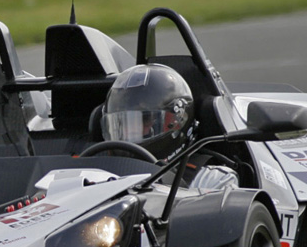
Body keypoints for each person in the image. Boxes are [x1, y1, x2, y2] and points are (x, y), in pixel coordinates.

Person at [99, 63, 238, 192]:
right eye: (120, 124)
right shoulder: (93, 172)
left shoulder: (211, 180)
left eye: (143, 121)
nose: (129, 131)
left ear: (179, 120)